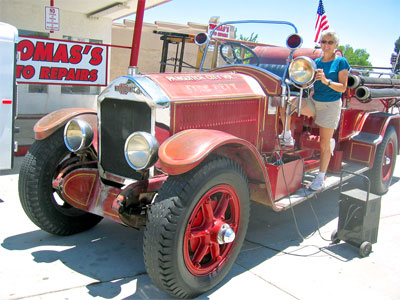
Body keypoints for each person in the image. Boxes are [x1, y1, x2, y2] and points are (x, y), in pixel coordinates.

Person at [279, 30, 350, 191]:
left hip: (330, 105)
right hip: (314, 101)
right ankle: (287, 135)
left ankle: (320, 177)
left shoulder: (341, 63)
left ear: (336, 45)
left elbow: (343, 87)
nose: (326, 45)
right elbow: (304, 83)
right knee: (286, 103)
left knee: (325, 144)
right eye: (323, 42)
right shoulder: (316, 61)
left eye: (330, 42)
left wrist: (326, 81)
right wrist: (294, 66)